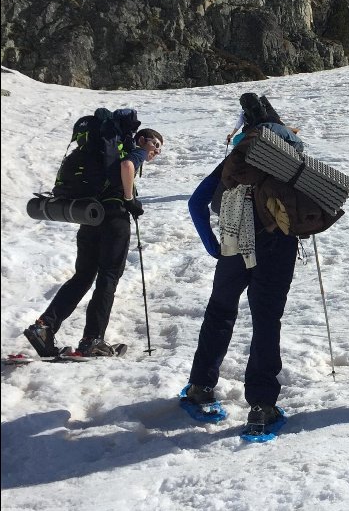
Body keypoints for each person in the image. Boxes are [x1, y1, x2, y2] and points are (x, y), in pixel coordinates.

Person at [183, 114, 304, 435]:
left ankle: (200, 387)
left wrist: (213, 246)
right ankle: (262, 406)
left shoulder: (236, 159)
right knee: (267, 319)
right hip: (279, 243)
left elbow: (197, 203)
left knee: (221, 310)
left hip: (235, 239)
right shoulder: (291, 159)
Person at [24, 128, 164, 357]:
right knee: (108, 276)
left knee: (83, 276)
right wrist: (129, 200)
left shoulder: (105, 155)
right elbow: (127, 166)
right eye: (155, 144)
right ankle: (92, 339)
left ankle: (44, 327)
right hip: (114, 219)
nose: (156, 151)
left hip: (91, 215)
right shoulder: (133, 151)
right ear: (142, 139)